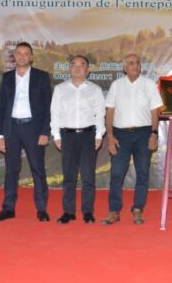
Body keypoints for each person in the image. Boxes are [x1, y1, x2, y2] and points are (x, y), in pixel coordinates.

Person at [0, 42, 52, 222]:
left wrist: (45, 131)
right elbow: (1, 107)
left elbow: (47, 106)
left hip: (33, 128)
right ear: (14, 56)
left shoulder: (41, 77)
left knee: (37, 169)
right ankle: (8, 208)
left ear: (31, 57)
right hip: (11, 128)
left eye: (26, 53)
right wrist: (0, 135)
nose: (22, 56)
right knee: (11, 170)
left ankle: (41, 209)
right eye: (18, 53)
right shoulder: (7, 77)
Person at [102, 53, 163, 225]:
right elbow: (110, 111)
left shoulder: (149, 84)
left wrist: (154, 134)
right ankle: (114, 211)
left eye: (137, 63)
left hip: (144, 134)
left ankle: (138, 209)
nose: (135, 65)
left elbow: (154, 111)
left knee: (142, 172)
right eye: (130, 63)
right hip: (120, 134)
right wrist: (110, 136)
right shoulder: (116, 85)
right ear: (124, 67)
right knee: (116, 173)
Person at [50, 55, 106, 224]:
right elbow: (55, 113)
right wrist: (56, 135)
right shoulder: (60, 89)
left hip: (88, 136)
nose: (77, 67)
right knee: (69, 176)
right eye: (74, 64)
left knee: (88, 176)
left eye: (82, 65)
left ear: (87, 70)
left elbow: (100, 114)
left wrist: (99, 135)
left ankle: (88, 212)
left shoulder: (95, 89)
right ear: (69, 69)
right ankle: (68, 212)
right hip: (67, 136)